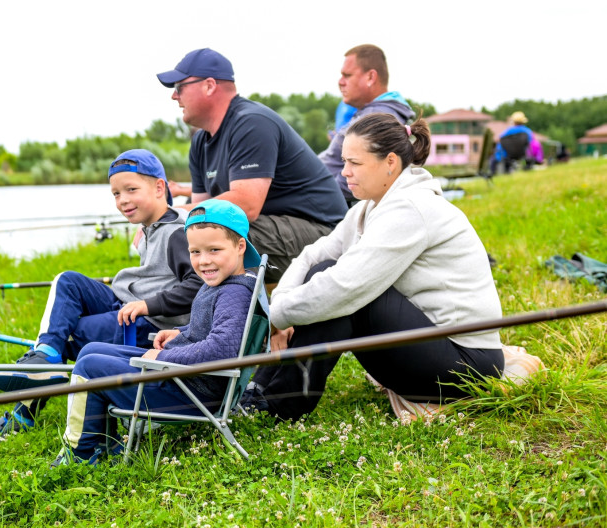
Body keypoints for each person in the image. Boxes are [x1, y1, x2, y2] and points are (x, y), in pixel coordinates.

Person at [244, 113, 505, 421]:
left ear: (390, 162)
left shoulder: (410, 208)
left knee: (350, 296)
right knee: (324, 273)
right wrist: (281, 306)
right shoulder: (371, 206)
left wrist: (275, 314)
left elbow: (346, 287)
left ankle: (279, 405)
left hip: (467, 366)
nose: (344, 173)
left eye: (355, 163)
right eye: (344, 162)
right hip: (433, 346)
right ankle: (263, 390)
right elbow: (313, 255)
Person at [0, 149, 202, 437]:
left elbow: (197, 285)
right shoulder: (150, 227)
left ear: (160, 187)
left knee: (69, 333)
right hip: (124, 303)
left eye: (131, 190)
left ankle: (23, 412)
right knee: (68, 281)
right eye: (115, 194)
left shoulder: (176, 232)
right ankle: (45, 356)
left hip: (148, 323)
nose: (122, 200)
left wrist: (147, 306)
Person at [52, 199, 261, 466]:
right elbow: (211, 327)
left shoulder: (233, 292)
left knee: (91, 366)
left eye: (214, 250)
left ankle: (79, 452)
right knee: (91, 350)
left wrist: (162, 359)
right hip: (186, 381)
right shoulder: (226, 282)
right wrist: (180, 332)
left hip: (191, 393)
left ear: (240, 246)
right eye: (195, 252)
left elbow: (222, 349)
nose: (204, 261)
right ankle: (103, 442)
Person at [157, 48, 347, 283]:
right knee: (189, 234)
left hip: (324, 233)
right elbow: (199, 211)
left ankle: (216, 314)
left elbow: (246, 205)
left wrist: (163, 215)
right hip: (277, 226)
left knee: (211, 241)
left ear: (208, 85)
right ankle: (168, 308)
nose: (174, 97)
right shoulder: (200, 141)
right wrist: (160, 223)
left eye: (179, 88)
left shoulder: (251, 123)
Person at [319, 44, 415, 205]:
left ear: (371, 77)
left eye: (347, 75)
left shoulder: (376, 119)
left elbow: (360, 181)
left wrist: (306, 196)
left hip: (334, 213)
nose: (340, 82)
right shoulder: (375, 113)